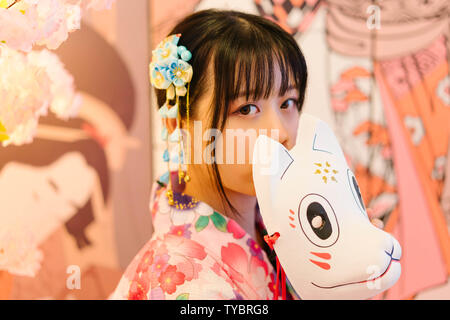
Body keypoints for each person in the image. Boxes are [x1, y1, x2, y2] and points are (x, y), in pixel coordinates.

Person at [110, 8, 382, 300]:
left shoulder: (279, 224)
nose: (280, 132)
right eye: (247, 109)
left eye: (288, 102)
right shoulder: (181, 278)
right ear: (178, 123)